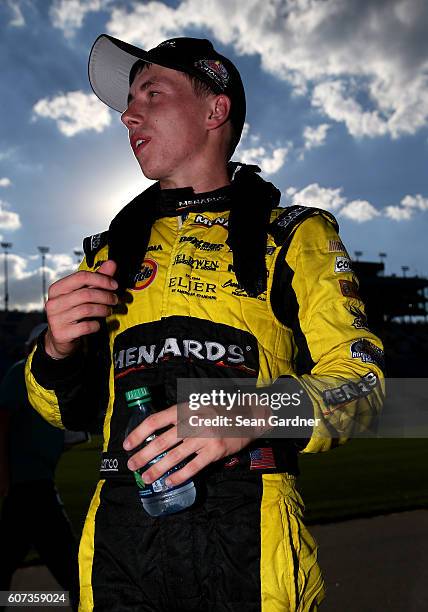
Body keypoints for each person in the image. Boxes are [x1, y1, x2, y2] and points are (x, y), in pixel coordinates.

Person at [25, 35, 384, 611]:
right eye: (127, 102)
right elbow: (63, 410)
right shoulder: (106, 253)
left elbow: (364, 388)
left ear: (215, 109)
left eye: (151, 92)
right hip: (121, 537)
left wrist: (233, 414)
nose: (128, 114)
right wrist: (56, 354)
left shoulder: (293, 235)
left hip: (249, 537)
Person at [0, 323, 79, 611]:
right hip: (30, 484)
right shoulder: (22, 371)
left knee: (9, 555)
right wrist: (4, 475)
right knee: (66, 560)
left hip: (36, 482)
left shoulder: (52, 383)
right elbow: (3, 419)